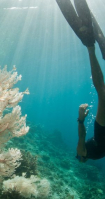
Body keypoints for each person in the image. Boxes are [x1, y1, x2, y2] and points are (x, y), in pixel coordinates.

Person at [56, 0, 105, 162]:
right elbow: (83, 136)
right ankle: (93, 44)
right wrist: (81, 119)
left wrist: (81, 119)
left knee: (103, 95)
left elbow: (82, 136)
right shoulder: (87, 155)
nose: (79, 157)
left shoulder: (83, 153)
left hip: (102, 129)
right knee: (102, 94)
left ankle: (91, 46)